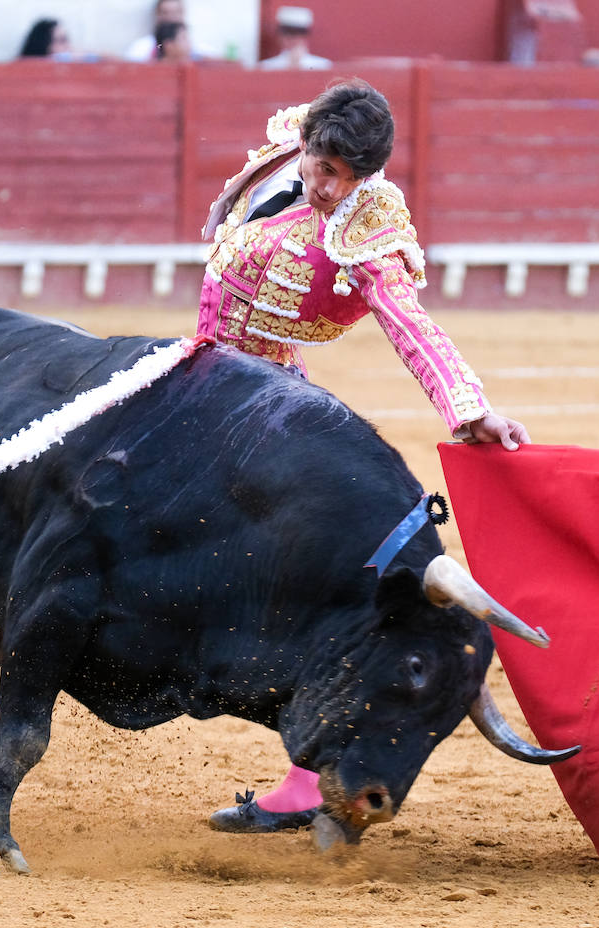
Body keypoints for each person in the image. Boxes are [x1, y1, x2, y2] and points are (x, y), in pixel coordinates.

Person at [197, 80, 529, 832]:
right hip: (200, 383)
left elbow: (409, 323)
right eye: (317, 164)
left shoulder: (371, 230)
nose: (319, 184)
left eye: (337, 177)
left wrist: (468, 409)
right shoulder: (293, 144)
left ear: (366, 176)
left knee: (297, 584)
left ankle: (313, 775)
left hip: (262, 407)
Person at [258, 5, 331, 70]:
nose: (291, 38)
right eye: (287, 32)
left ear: (305, 35)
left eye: (297, 33)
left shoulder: (323, 65)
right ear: (280, 34)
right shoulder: (266, 66)